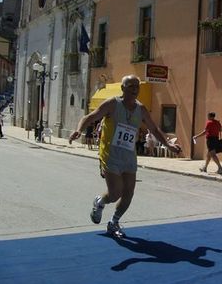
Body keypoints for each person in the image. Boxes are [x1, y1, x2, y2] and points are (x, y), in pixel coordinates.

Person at [69, 75, 181, 238]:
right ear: (123, 88)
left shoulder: (141, 109)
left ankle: (114, 223)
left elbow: (154, 129)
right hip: (110, 155)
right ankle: (99, 202)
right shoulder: (112, 104)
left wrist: (168, 145)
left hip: (129, 155)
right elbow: (91, 117)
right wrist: (79, 130)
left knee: (129, 192)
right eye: (131, 86)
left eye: (137, 86)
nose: (135, 89)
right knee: (115, 194)